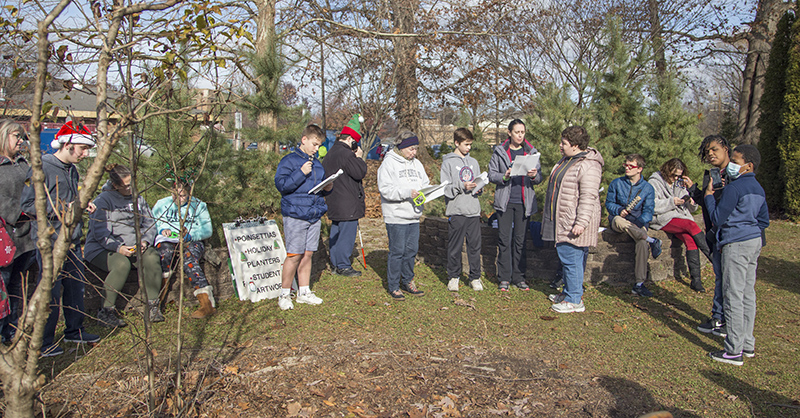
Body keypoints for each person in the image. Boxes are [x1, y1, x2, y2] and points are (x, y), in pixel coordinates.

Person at [20, 121, 100, 357]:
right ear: (67, 144)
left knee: (75, 287)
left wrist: (83, 205)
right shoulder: (42, 167)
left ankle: (74, 330)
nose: (86, 154)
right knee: (51, 293)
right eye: (82, 148)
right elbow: (28, 206)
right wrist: (64, 208)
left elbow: (72, 199)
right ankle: (44, 342)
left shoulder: (72, 170)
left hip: (73, 241)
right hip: (50, 241)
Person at [704, 144, 769, 366]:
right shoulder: (759, 189)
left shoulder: (734, 188)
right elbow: (763, 221)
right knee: (747, 293)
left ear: (748, 166)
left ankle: (733, 350)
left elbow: (717, 217)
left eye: (735, 161)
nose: (731, 164)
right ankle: (747, 344)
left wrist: (710, 196)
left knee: (733, 295)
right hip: (753, 242)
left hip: (736, 243)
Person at [85, 164, 164, 327]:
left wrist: (145, 241)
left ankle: (152, 305)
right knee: (121, 264)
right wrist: (117, 248)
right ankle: (106, 311)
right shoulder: (103, 201)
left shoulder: (138, 199)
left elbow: (150, 223)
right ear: (115, 185)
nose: (131, 188)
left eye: (132, 184)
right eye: (126, 186)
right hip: (102, 247)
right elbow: (99, 232)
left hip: (134, 245)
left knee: (151, 257)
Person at [542, 126, 604, 313]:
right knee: (570, 257)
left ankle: (575, 300)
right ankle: (569, 291)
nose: (560, 146)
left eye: (564, 143)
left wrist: (580, 223)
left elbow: (588, 197)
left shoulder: (589, 165)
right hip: (562, 218)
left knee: (572, 258)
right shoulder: (568, 160)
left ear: (576, 145)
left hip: (573, 220)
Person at [274, 124, 331, 311]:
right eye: (314, 144)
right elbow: (282, 185)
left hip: (313, 214)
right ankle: (284, 293)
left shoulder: (317, 164)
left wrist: (328, 188)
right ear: (304, 140)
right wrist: (301, 173)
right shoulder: (289, 161)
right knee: (294, 254)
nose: (317, 148)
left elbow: (318, 187)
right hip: (296, 214)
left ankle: (304, 292)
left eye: (319, 145)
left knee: (308, 253)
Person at [487, 119, 542, 291]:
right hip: (505, 201)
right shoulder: (499, 151)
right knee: (504, 240)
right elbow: (491, 174)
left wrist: (534, 175)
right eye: (517, 132)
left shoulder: (531, 152)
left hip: (524, 202)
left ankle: (519, 276)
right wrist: (505, 175)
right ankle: (504, 277)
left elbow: (539, 178)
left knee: (520, 240)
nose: (520, 135)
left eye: (523, 132)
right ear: (509, 133)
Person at [689, 135, 733, 337]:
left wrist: (708, 195)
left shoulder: (734, 175)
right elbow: (708, 202)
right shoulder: (714, 174)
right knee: (720, 277)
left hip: (729, 234)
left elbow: (724, 207)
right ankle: (718, 316)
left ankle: (725, 319)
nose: (710, 154)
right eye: (707, 151)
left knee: (728, 280)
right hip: (715, 234)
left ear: (725, 148)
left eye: (714, 149)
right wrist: (694, 191)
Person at [377, 130, 429, 301]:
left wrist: (427, 193)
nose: (414, 153)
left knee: (411, 251)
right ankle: (393, 285)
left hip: (413, 215)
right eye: (411, 149)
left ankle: (407, 280)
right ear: (402, 147)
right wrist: (408, 193)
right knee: (397, 251)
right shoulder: (388, 164)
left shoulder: (417, 164)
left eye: (416, 149)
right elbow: (386, 190)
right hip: (396, 216)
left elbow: (425, 184)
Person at [152, 181, 215, 319]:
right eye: (176, 196)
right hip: (168, 241)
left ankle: (207, 304)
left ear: (189, 193)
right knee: (164, 256)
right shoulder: (161, 205)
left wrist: (189, 235)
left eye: (183, 196)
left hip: (191, 240)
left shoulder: (199, 206)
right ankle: (158, 302)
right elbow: (153, 224)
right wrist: (162, 230)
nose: (179, 199)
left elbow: (207, 230)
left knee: (189, 260)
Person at [648, 158, 712, 292]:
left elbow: (690, 207)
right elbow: (652, 205)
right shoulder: (654, 182)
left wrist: (691, 202)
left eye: (678, 175)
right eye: (673, 175)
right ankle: (714, 258)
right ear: (667, 171)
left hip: (678, 216)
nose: (675, 178)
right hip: (662, 217)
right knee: (691, 226)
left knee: (690, 241)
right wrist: (672, 202)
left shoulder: (679, 183)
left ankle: (696, 281)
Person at [0, 120, 37, 344]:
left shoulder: (24, 164)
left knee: (17, 286)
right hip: (6, 237)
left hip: (26, 237)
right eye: (17, 136)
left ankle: (12, 330)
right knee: (3, 285)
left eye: (22, 137)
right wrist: (19, 213)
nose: (20, 141)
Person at [605, 154, 662, 297]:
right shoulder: (616, 183)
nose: (627, 168)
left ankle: (639, 284)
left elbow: (648, 211)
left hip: (637, 223)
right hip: (619, 220)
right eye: (626, 165)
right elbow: (609, 204)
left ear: (640, 169)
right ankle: (652, 241)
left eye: (631, 166)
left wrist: (638, 223)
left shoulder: (647, 188)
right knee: (618, 220)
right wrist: (619, 210)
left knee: (642, 244)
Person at [322, 114, 367, 277]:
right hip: (347, 201)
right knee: (346, 235)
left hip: (334, 198)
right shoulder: (346, 154)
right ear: (350, 140)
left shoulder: (331, 151)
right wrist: (360, 158)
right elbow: (359, 172)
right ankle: (343, 265)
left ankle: (335, 263)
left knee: (336, 232)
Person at [441, 128, 483, 292]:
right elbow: (445, 189)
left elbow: (478, 183)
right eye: (466, 144)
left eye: (470, 144)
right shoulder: (448, 163)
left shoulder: (474, 162)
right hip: (456, 211)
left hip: (473, 210)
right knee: (455, 246)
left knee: (474, 246)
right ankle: (453, 277)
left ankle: (475, 277)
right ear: (457, 143)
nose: (469, 148)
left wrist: (479, 188)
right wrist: (461, 186)